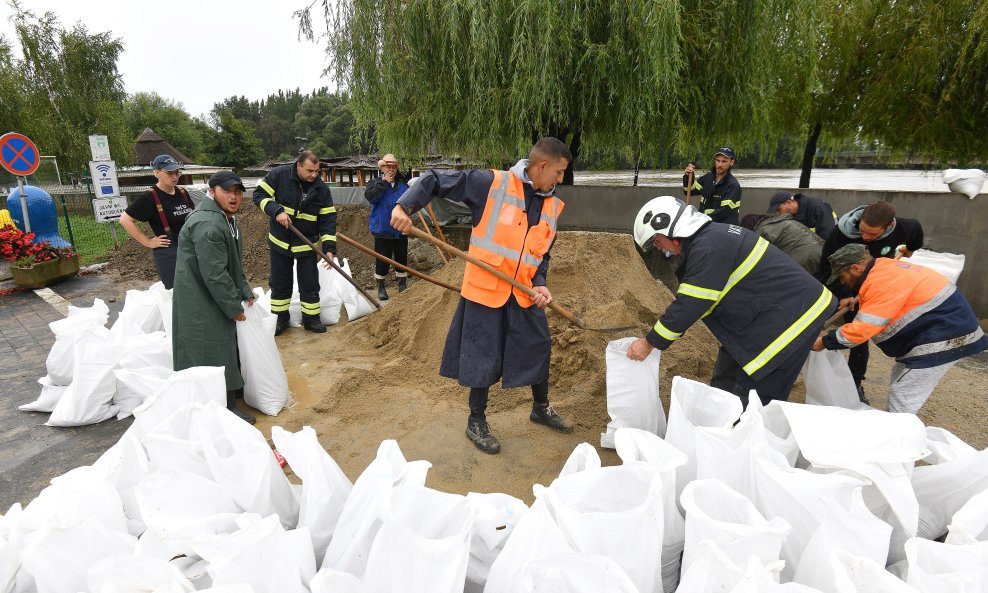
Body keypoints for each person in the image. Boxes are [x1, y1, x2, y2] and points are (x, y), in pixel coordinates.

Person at [390, 137, 574, 455]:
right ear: (542, 166)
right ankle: (476, 420)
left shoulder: (551, 205)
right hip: (485, 291)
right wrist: (403, 206)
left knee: (538, 345)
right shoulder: (491, 184)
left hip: (524, 291)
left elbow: (542, 254)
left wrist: (541, 282)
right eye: (558, 173)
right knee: (482, 355)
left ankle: (540, 408)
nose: (560, 180)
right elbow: (433, 179)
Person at [627, 196, 837, 407]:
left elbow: (691, 304)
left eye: (656, 240)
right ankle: (722, 425)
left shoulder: (709, 247)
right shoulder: (709, 239)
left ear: (671, 229)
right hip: (767, 314)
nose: (658, 248)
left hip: (791, 319)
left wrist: (650, 342)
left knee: (756, 399)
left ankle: (751, 433)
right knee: (724, 382)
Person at [813, 243, 986, 414]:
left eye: (842, 276)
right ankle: (895, 429)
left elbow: (862, 328)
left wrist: (826, 341)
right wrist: (855, 299)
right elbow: (879, 300)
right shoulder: (882, 267)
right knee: (900, 379)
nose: (842, 282)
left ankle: (901, 436)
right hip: (945, 327)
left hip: (945, 335)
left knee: (903, 395)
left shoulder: (880, 281)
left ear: (856, 268)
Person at [816, 201, 925, 402]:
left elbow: (916, 231)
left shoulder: (903, 227)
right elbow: (824, 271)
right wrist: (844, 293)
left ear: (888, 226)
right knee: (814, 320)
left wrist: (910, 249)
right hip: (843, 284)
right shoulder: (841, 234)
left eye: (872, 235)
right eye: (862, 231)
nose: (865, 238)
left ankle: (855, 384)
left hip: (874, 287)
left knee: (858, 336)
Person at [172, 171, 256, 424]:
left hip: (208, 293)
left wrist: (245, 291)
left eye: (238, 192)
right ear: (213, 191)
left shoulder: (225, 218)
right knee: (215, 347)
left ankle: (231, 393)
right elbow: (215, 274)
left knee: (223, 345)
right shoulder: (209, 224)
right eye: (228, 191)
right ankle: (226, 406)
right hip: (200, 297)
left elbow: (233, 263)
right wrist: (233, 306)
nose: (234, 197)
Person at [253, 150, 337, 335]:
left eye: (316, 171)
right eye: (309, 171)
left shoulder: (321, 189)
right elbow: (258, 195)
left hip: (306, 243)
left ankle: (311, 319)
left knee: (310, 284)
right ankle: (280, 319)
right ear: (298, 166)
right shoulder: (279, 175)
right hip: (280, 242)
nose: (313, 175)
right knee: (280, 283)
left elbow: (328, 220)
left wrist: (329, 249)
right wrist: (276, 210)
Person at [119, 155, 195, 289]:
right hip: (169, 253)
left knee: (196, 290)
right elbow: (125, 220)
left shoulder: (182, 192)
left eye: (177, 172)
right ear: (157, 173)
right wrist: (147, 242)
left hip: (190, 248)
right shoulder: (150, 197)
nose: (174, 176)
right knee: (177, 293)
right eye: (169, 173)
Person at [364, 153, 410, 300]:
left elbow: (410, 204)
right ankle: (381, 287)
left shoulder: (403, 186)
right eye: (388, 167)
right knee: (382, 259)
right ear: (382, 168)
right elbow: (371, 197)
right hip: (382, 228)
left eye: (394, 167)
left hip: (400, 228)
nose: (392, 169)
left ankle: (402, 283)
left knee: (401, 257)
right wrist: (384, 183)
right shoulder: (374, 184)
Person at [741, 213, 823, 273]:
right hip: (822, 250)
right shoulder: (781, 221)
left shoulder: (763, 230)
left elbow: (757, 258)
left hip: (804, 257)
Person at [683, 146, 742, 225]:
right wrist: (688, 177)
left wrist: (699, 219)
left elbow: (723, 212)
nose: (720, 164)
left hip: (724, 228)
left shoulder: (733, 185)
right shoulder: (708, 178)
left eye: (724, 161)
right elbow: (689, 191)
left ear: (731, 162)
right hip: (707, 224)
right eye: (718, 160)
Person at [766, 191, 837, 240]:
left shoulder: (818, 207)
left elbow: (828, 236)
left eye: (778, 210)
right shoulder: (790, 215)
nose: (777, 214)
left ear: (788, 203)